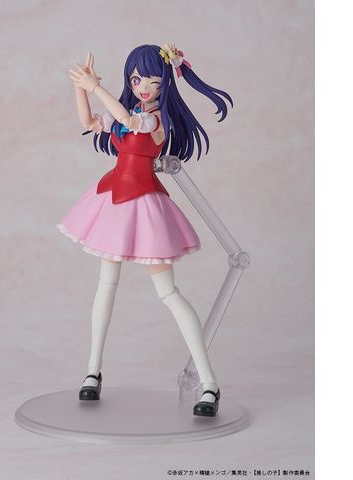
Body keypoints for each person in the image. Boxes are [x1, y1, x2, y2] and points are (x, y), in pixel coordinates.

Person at [60, 44, 232, 417]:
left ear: (164, 84)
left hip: (145, 203)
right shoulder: (129, 113)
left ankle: (209, 382)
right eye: (136, 79)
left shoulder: (155, 121)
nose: (142, 87)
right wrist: (80, 87)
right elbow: (89, 122)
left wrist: (95, 87)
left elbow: (127, 118)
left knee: (168, 292)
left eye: (151, 81)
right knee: (106, 284)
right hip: (112, 200)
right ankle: (92, 370)